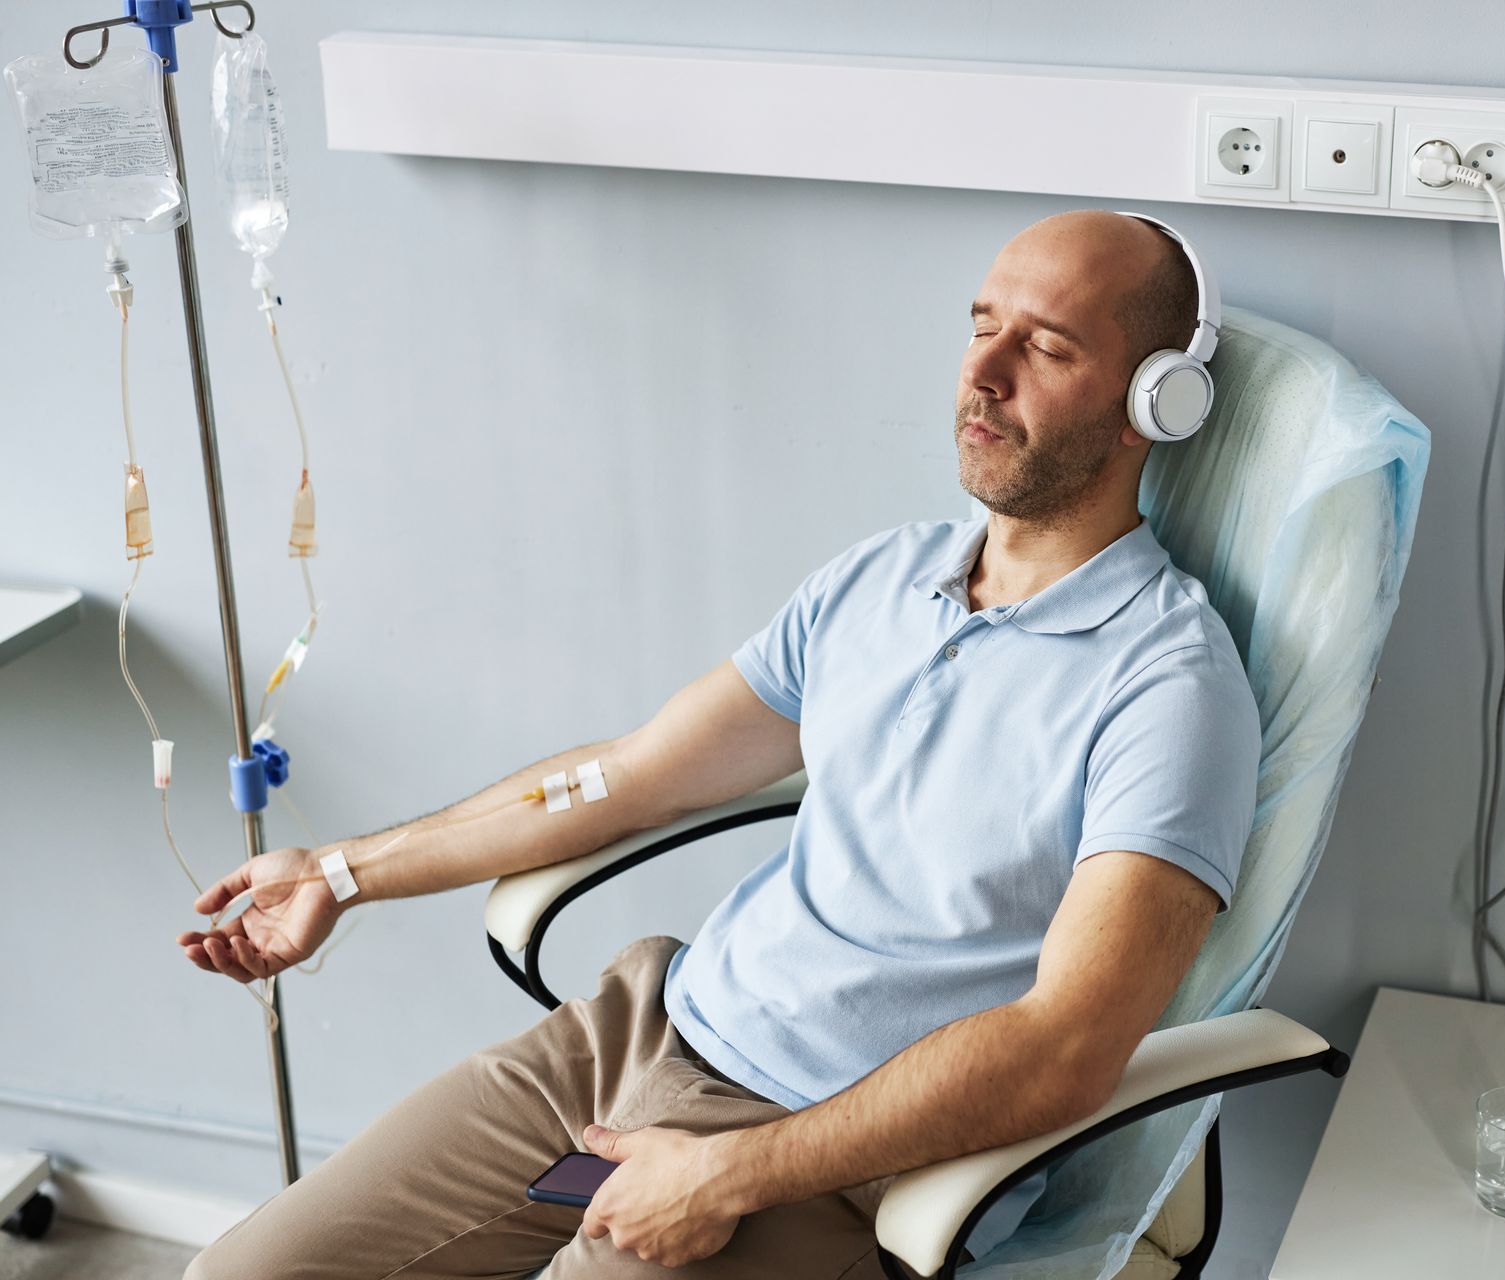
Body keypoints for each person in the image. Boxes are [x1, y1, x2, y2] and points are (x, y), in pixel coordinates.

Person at [179, 208, 1260, 1279]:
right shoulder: (882, 580)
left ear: (1150, 403)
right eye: (982, 324)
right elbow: (626, 776)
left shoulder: (1168, 686)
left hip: (838, 1153)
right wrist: (340, 871)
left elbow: (1064, 1049)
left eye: (1046, 346)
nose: (982, 372)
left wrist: (734, 1172)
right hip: (643, 1030)